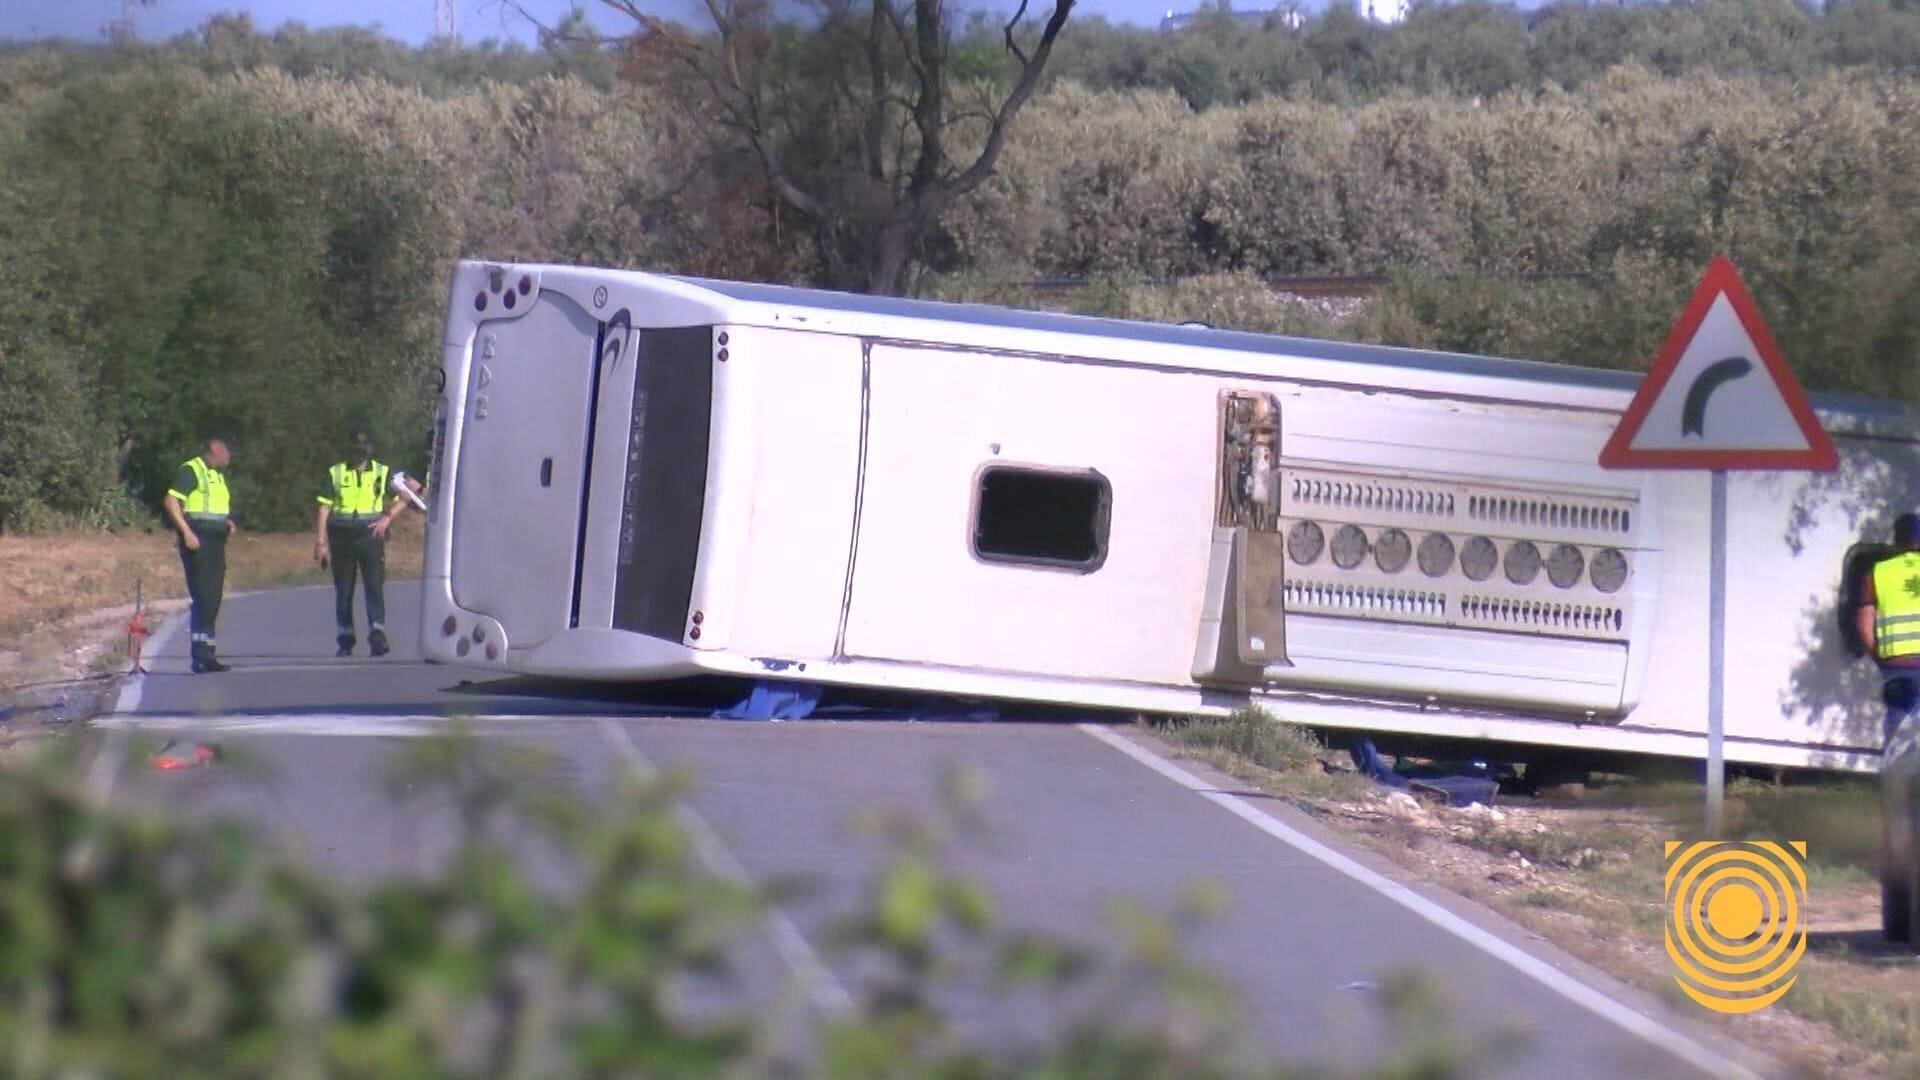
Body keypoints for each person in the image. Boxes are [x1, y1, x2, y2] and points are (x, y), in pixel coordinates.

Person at [315, 428, 423, 657]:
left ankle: (377, 633)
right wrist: (320, 542)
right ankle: (345, 637)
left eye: (363, 451)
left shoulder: (382, 472)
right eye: (355, 450)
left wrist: (388, 517)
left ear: (369, 451)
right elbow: (324, 506)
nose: (359, 456)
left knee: (374, 585)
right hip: (341, 533)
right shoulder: (336, 472)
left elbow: (409, 493)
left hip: (370, 534)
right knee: (344, 588)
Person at [162, 435, 237, 674]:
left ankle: (209, 653)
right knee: (203, 595)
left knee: (214, 597)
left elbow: (209, 506)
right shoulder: (192, 470)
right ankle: (199, 655)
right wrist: (186, 532)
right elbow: (171, 500)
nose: (229, 456)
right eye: (226, 451)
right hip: (198, 539)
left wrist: (225, 521)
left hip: (216, 540)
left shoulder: (217, 474)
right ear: (214, 448)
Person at [1856, 512, 1920, 745]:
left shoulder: (1877, 572)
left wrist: (1880, 656)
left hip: (1895, 666)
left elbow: (1864, 626)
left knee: (1897, 729)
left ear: (1896, 540)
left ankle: (1898, 780)